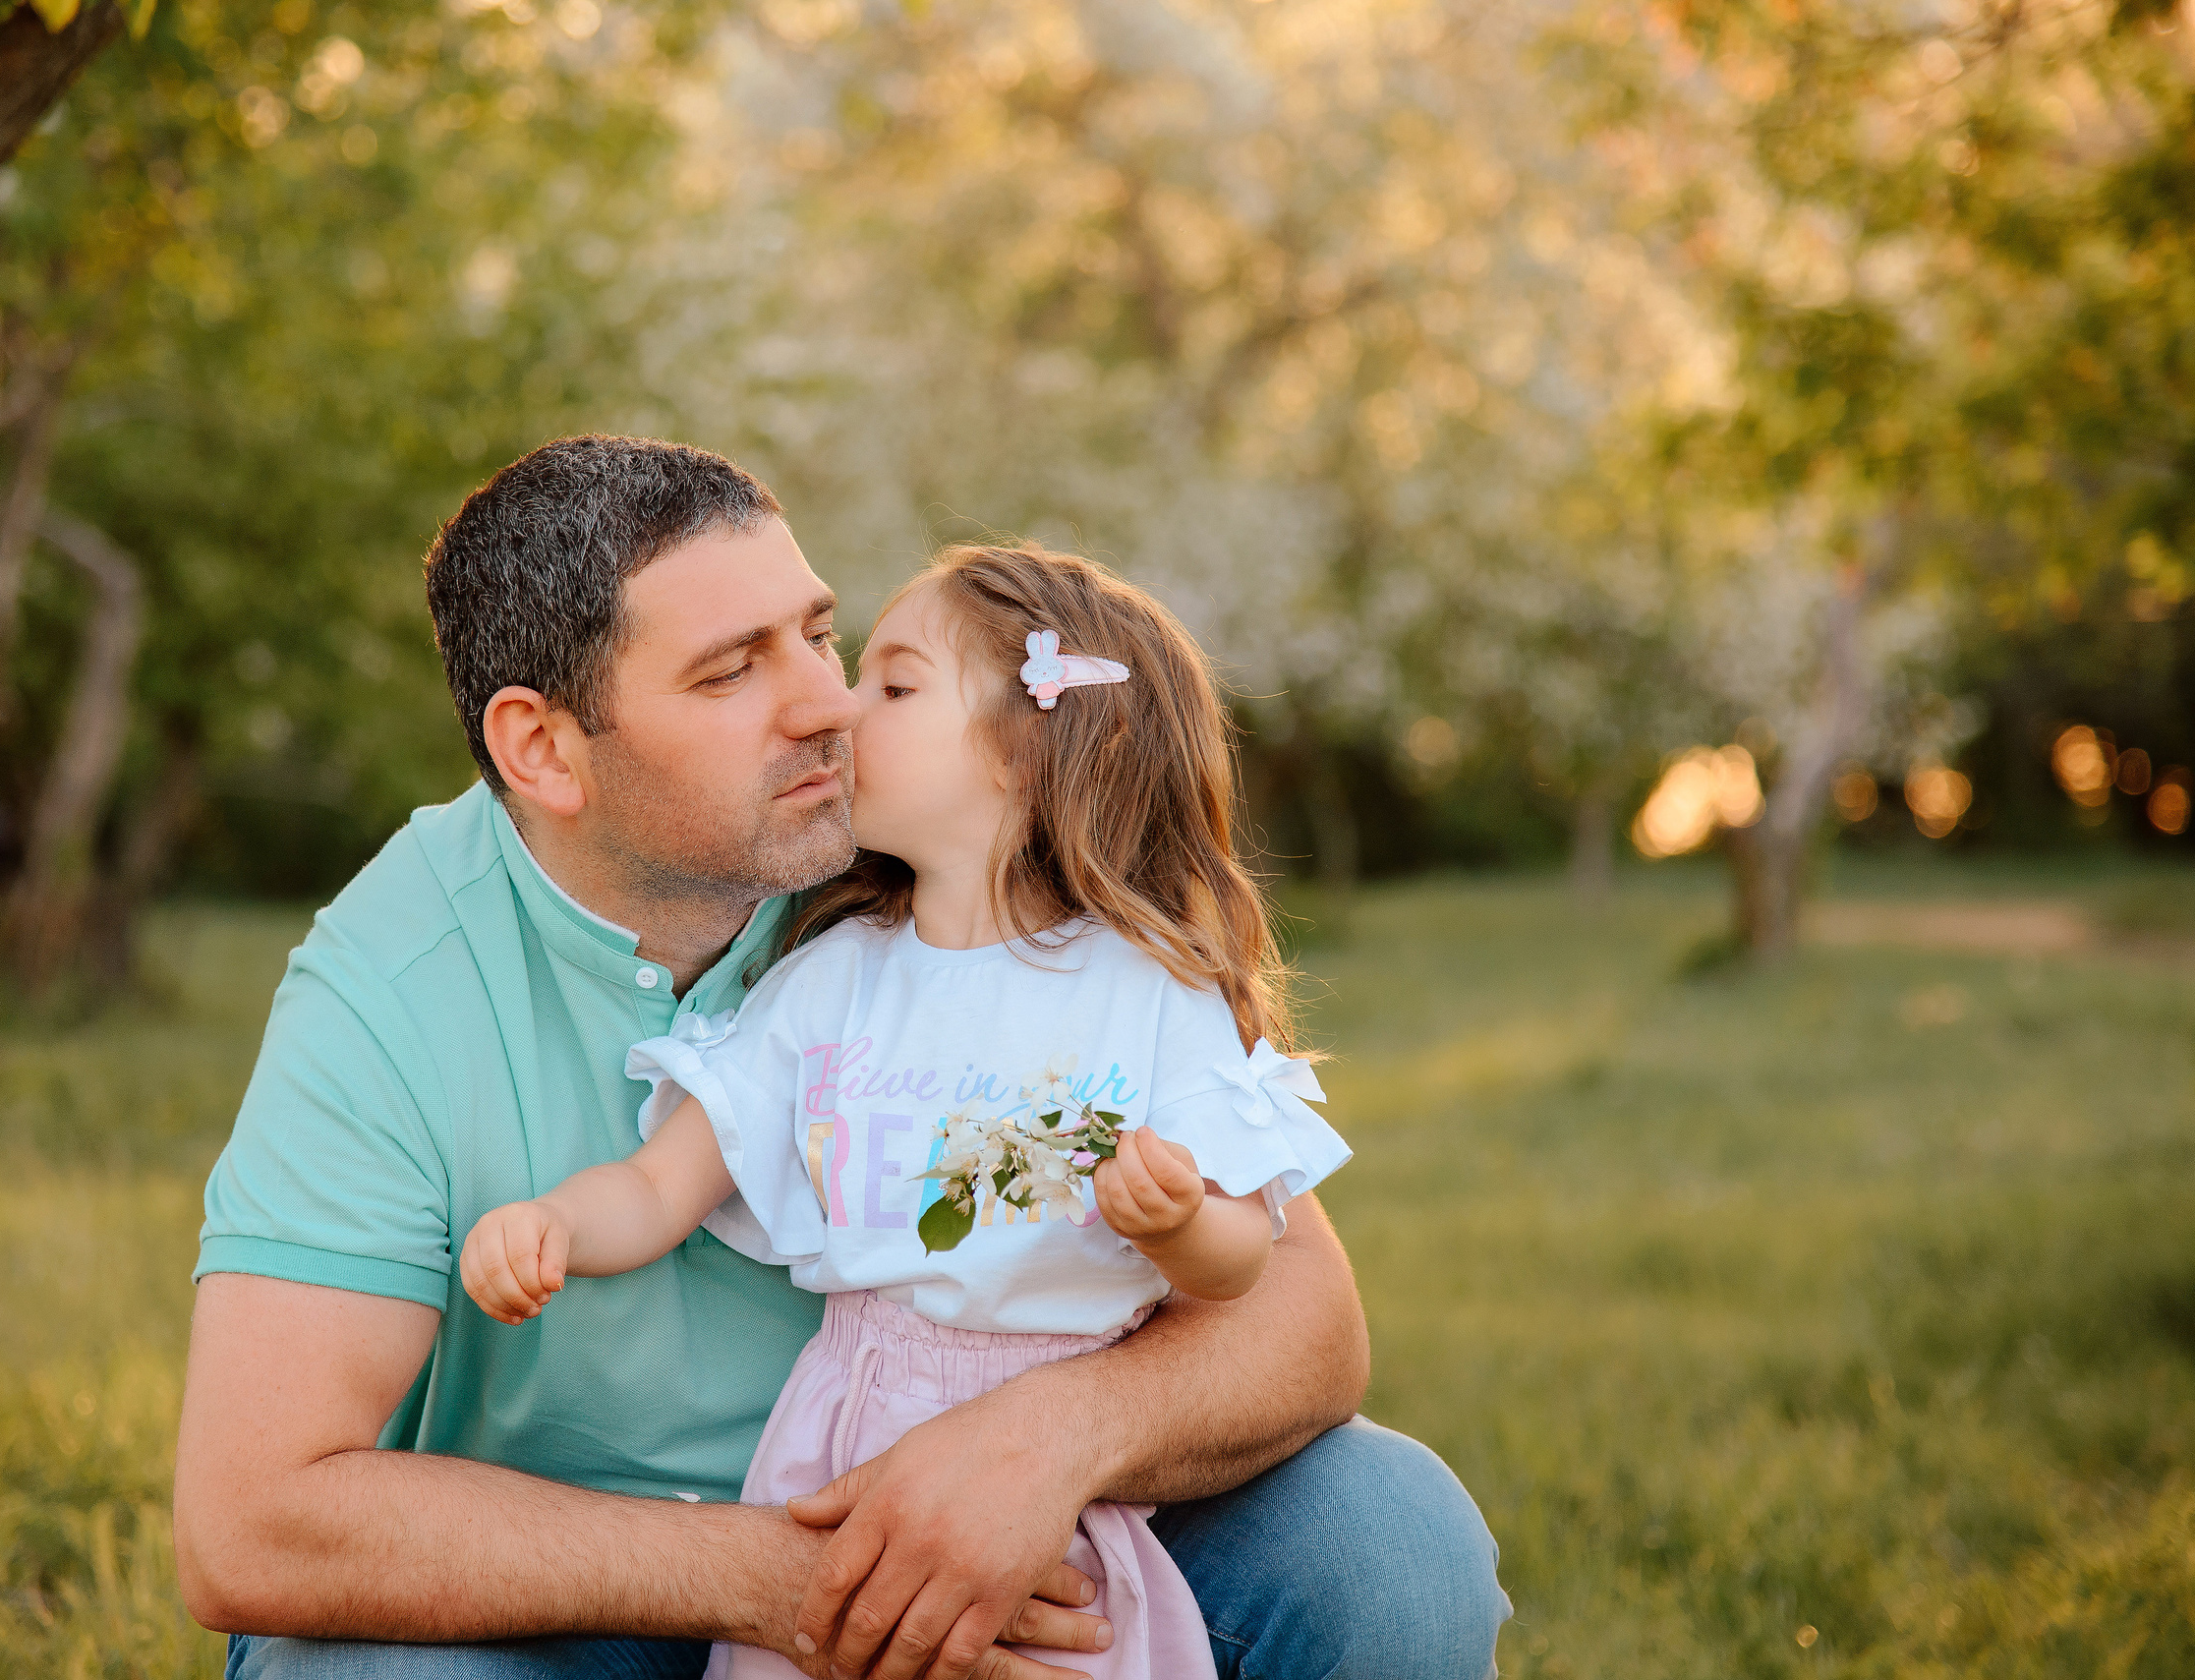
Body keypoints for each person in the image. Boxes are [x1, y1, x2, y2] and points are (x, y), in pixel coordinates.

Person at [173, 435, 1513, 1679]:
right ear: (544, 749)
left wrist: (1043, 1443)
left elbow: (1305, 1320)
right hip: (566, 1597)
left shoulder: (932, 883)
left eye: (819, 634)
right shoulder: (391, 989)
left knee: (1385, 1541)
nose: (826, 704)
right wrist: (786, 1579)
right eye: (728, 670)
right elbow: (253, 1523)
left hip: (1016, 1528)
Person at [455, 544, 1356, 1680]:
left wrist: (1177, 1222)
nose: (838, 706)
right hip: (840, 1443)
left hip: (1056, 1483)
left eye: (892, 684)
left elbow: (1236, 1260)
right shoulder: (835, 981)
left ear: (1028, 748)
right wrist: (555, 1227)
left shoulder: (1149, 988)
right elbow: (659, 1184)